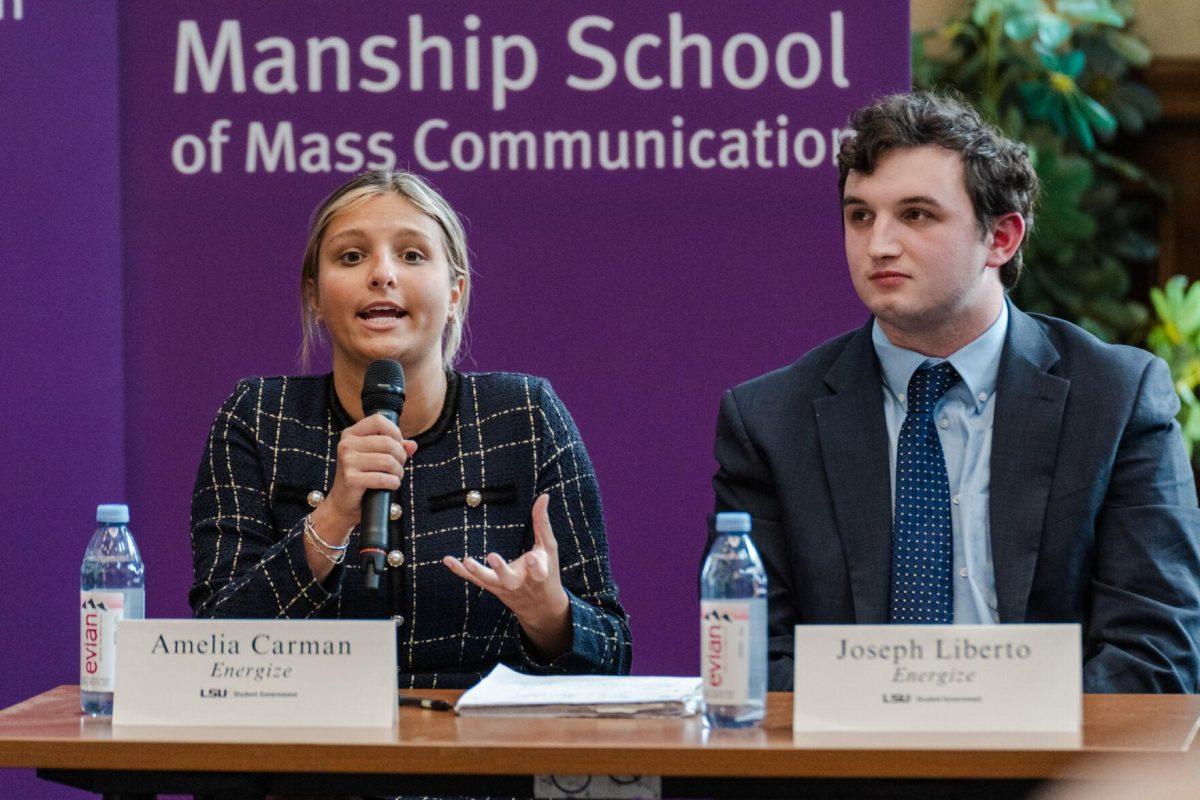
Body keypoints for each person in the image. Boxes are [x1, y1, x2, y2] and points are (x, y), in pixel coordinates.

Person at [712, 92, 1200, 693]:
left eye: (916, 214)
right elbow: (752, 663)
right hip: (854, 773)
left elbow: (1155, 655)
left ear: (1001, 237)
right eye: (860, 215)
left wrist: (997, 736)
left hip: (1051, 775)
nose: (878, 245)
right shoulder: (769, 420)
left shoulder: (1116, 400)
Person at [190, 170, 631, 688]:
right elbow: (212, 650)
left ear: (455, 293)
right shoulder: (259, 417)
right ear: (314, 295)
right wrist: (330, 520)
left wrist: (549, 615)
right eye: (351, 257)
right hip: (313, 754)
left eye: (412, 255)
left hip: (481, 757)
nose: (382, 274)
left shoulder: (525, 415)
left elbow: (614, 653)